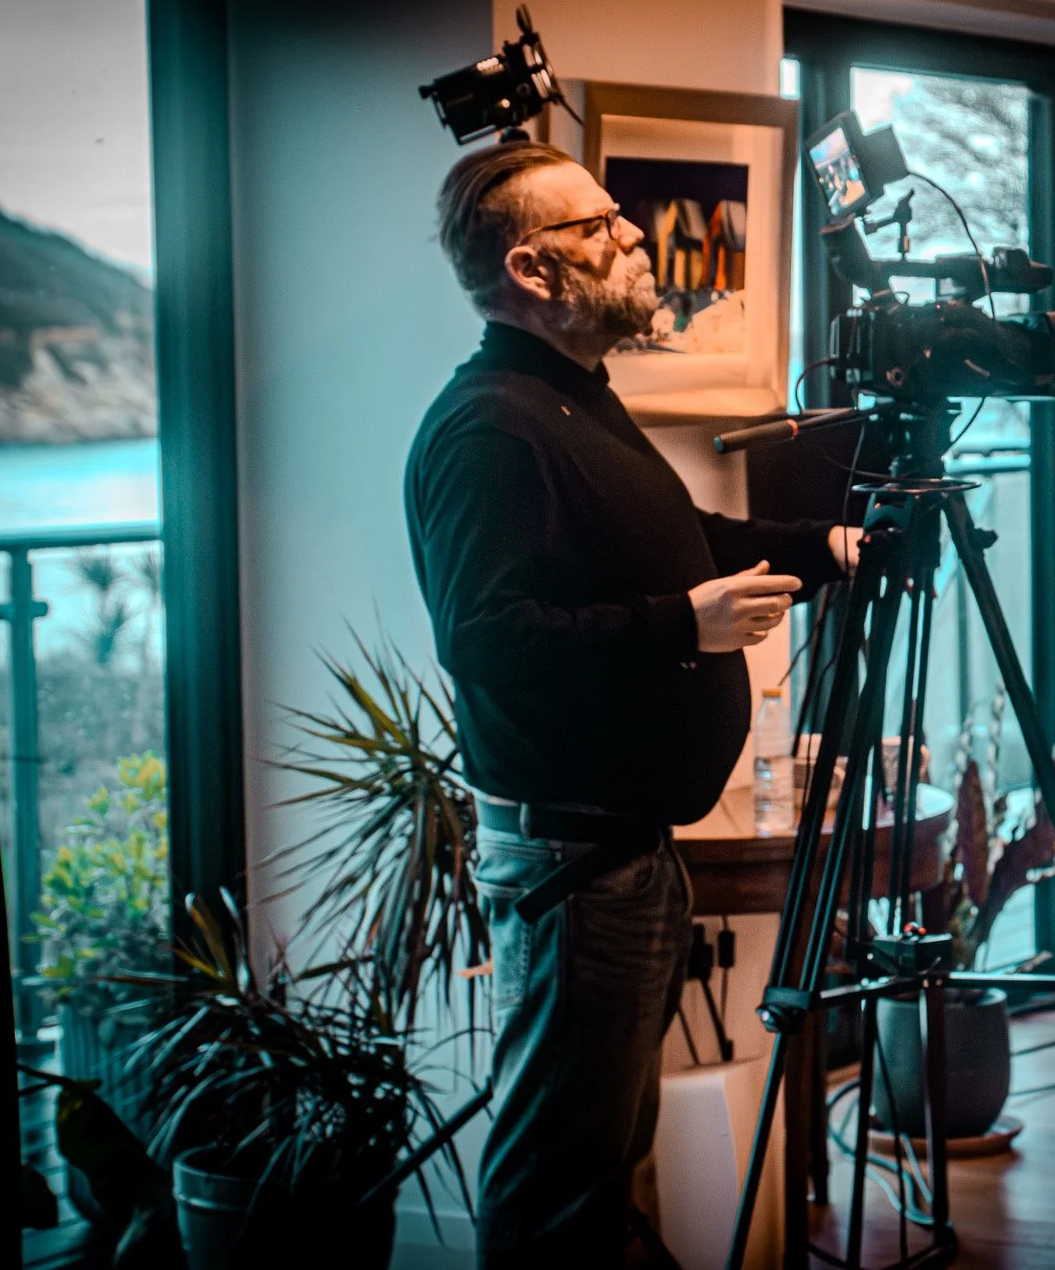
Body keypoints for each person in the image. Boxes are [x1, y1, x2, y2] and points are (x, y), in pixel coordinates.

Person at [406, 139, 858, 1266]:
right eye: (598, 228)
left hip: (621, 856)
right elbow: (484, 637)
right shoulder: (490, 429)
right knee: (560, 1180)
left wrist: (828, 547)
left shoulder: (572, 401)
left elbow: (679, 544)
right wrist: (680, 626)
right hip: (573, 869)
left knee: (601, 1169)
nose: (632, 241)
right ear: (533, 272)